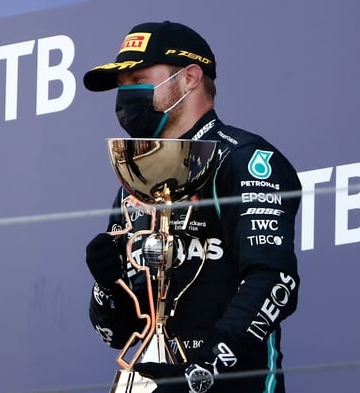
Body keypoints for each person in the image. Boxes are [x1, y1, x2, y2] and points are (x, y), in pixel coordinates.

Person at [82, 21, 301, 392]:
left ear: (190, 78)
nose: (126, 94)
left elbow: (274, 281)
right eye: (122, 84)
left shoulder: (243, 159)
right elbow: (116, 334)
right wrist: (107, 285)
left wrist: (205, 370)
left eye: (138, 79)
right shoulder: (135, 180)